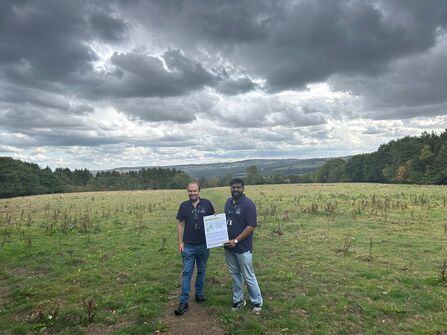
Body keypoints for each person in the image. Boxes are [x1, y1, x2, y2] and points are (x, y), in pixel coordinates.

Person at [174, 181, 215, 315]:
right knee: (187, 273)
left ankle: (199, 294)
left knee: (202, 271)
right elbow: (180, 224)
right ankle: (184, 301)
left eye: (194, 191)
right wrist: (180, 242)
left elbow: (214, 221)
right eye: (190, 191)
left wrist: (216, 238)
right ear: (187, 191)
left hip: (204, 245)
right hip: (189, 246)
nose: (192, 193)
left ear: (199, 191)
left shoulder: (207, 204)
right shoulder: (184, 206)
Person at [224, 178, 263, 315]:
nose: (235, 189)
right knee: (235, 275)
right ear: (230, 188)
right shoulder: (228, 203)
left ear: (243, 188)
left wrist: (236, 240)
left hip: (243, 248)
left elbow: (251, 226)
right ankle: (239, 301)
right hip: (228, 247)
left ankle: (257, 302)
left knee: (248, 275)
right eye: (233, 187)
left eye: (238, 187)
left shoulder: (248, 205)